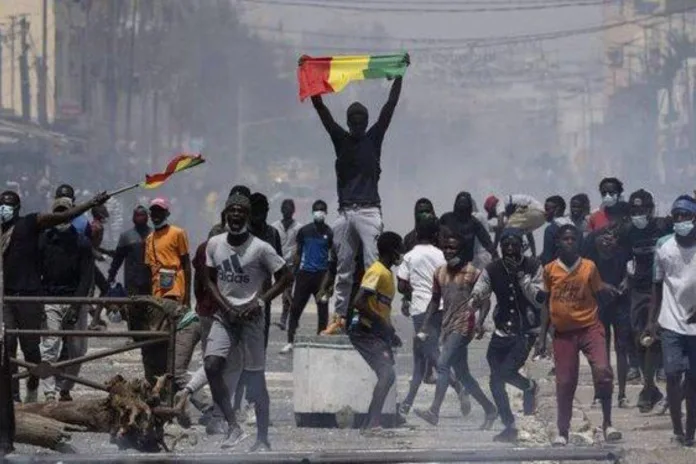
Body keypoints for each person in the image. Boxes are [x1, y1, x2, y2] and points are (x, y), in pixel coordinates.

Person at [310, 61, 407, 332]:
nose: (357, 124)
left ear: (366, 121)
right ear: (348, 122)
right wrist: (311, 80)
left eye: (361, 120)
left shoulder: (374, 138)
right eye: (352, 120)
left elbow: (389, 108)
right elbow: (322, 111)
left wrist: (399, 77)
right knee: (343, 269)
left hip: (368, 211)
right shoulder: (340, 139)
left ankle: (375, 314)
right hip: (344, 213)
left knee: (373, 266)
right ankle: (338, 318)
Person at [1, 188, 108, 402]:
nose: (4, 209)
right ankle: (23, 396)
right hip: (18, 298)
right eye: (2, 204)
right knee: (18, 348)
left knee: (41, 350)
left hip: (47, 298)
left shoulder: (32, 225)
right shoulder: (40, 239)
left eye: (9, 205)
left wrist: (90, 203)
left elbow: (87, 275)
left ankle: (44, 390)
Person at [203, 193, 292, 450]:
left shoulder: (261, 248)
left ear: (248, 215)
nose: (236, 215)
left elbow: (286, 277)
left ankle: (262, 438)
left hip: (252, 320)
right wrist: (225, 307)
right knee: (211, 366)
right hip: (224, 316)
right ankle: (233, 425)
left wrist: (260, 301)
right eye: (231, 210)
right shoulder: (215, 244)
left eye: (241, 210)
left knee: (255, 380)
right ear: (225, 214)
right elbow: (209, 278)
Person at [537, 224, 622, 446]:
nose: (569, 242)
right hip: (564, 333)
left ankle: (608, 422)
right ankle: (562, 431)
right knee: (565, 382)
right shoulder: (549, 270)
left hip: (590, 327)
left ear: (579, 242)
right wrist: (541, 335)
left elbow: (599, 292)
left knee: (603, 371)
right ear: (558, 242)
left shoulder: (589, 267)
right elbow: (546, 303)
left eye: (573, 239)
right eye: (565, 239)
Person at [413, 233, 498, 430]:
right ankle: (490, 409)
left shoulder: (473, 272)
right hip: (448, 325)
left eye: (453, 248)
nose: (449, 251)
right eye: (447, 248)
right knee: (464, 375)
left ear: (461, 251)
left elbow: (485, 300)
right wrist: (425, 324)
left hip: (464, 324)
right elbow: (435, 300)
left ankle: (434, 412)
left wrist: (480, 322)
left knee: (442, 364)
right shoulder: (439, 273)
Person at [470, 228, 544, 442]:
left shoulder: (533, 266)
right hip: (502, 329)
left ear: (522, 246)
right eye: (506, 246)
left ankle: (529, 387)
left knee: (505, 371)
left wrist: (522, 279)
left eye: (514, 245)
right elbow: (481, 289)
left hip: (525, 331)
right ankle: (509, 425)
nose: (510, 250)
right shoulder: (492, 268)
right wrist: (473, 302)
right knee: (495, 381)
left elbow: (539, 298)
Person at [396, 218, 469, 417]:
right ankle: (407, 403)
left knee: (429, 354)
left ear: (416, 235)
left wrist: (412, 289)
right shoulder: (441, 255)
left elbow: (401, 285)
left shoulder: (410, 256)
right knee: (421, 356)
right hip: (441, 307)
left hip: (421, 310)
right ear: (436, 235)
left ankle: (458, 386)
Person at [649, 195, 696, 447]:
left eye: (685, 216)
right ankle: (677, 427)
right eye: (676, 216)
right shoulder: (664, 249)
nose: (680, 221)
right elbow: (656, 286)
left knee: (693, 382)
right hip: (671, 323)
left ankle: (690, 433)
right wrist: (652, 320)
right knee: (672, 373)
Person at [38, 197, 95, 402]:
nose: (62, 217)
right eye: (58, 212)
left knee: (78, 350)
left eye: (65, 212)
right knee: (50, 347)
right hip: (50, 299)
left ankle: (66, 388)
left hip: (75, 299)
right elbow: (37, 271)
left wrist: (76, 305)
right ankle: (49, 393)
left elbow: (86, 277)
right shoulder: (44, 240)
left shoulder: (82, 242)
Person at [348, 231, 404, 435]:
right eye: (400, 248)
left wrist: (391, 332)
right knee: (386, 373)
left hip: (377, 331)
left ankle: (369, 423)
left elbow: (381, 307)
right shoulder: (377, 271)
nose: (402, 253)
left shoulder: (388, 274)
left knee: (387, 374)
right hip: (364, 330)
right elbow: (359, 301)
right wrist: (381, 323)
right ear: (392, 250)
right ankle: (372, 423)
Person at [621, 189, 672, 411]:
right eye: (634, 210)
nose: (638, 214)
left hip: (663, 288)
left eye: (641, 210)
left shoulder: (663, 226)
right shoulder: (629, 232)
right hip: (639, 289)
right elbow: (623, 257)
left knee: (661, 336)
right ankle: (649, 385)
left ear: (650, 210)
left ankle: (666, 387)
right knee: (639, 337)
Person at [582, 225, 632, 408]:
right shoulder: (591, 256)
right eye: (602, 236)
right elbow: (586, 277)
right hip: (600, 305)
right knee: (601, 351)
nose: (606, 240)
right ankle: (599, 393)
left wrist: (626, 281)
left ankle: (622, 394)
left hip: (620, 304)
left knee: (621, 348)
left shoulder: (622, 253)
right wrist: (603, 285)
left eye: (610, 236)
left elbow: (630, 271)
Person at [143, 197, 191, 384]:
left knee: (170, 333)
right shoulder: (149, 239)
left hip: (174, 288)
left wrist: (187, 297)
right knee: (159, 337)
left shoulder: (177, 233)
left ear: (167, 213)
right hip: (157, 292)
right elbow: (150, 269)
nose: (156, 215)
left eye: (159, 212)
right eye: (153, 212)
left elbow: (186, 264)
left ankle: (173, 375)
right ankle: (163, 377)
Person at [281, 200, 334, 354]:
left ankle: (320, 339)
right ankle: (290, 341)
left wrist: (329, 283)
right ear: (312, 212)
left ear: (326, 212)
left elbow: (332, 257)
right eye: (317, 210)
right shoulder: (304, 231)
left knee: (323, 310)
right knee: (296, 308)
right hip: (305, 274)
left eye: (322, 210)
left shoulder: (329, 233)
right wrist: (293, 274)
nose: (319, 212)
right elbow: (298, 253)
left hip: (321, 277)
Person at [248, 192, 282, 348]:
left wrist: (268, 297)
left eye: (263, 210)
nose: (260, 215)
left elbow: (281, 270)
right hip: (240, 293)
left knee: (261, 341)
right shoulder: (241, 233)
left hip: (263, 296)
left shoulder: (272, 233)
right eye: (256, 210)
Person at [439, 191, 497, 265]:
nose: (462, 204)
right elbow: (436, 235)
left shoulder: (474, 222)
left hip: (466, 263)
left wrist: (496, 256)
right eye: (460, 202)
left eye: (465, 202)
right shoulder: (446, 218)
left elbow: (486, 240)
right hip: (446, 260)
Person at [107, 205, 152, 296]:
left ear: (147, 217)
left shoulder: (154, 234)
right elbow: (117, 259)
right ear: (133, 218)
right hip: (132, 280)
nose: (140, 218)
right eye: (137, 215)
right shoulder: (126, 236)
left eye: (142, 215)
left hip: (150, 279)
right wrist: (112, 274)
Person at [272, 199, 302, 331]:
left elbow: (300, 246)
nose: (287, 210)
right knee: (280, 290)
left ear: (293, 210)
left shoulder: (298, 227)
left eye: (290, 208)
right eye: (285, 208)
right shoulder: (275, 226)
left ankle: (285, 319)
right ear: (281, 210)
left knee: (287, 292)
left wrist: (298, 260)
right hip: (276, 263)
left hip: (291, 264)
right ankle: (294, 315)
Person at [539, 195, 572, 265]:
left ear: (557, 209)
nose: (545, 213)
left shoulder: (550, 230)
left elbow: (547, 258)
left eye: (547, 209)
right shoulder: (572, 225)